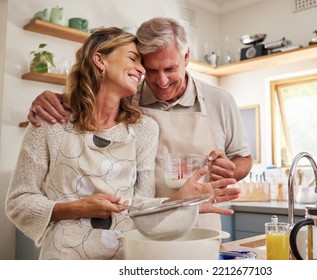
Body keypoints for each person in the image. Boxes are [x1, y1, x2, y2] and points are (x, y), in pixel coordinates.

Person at [6, 27, 238, 260]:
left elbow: (138, 205)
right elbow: (19, 201)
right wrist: (76, 208)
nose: (141, 70)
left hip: (126, 257)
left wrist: (178, 200)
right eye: (133, 59)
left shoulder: (144, 129)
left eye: (141, 64)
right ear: (100, 59)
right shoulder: (51, 123)